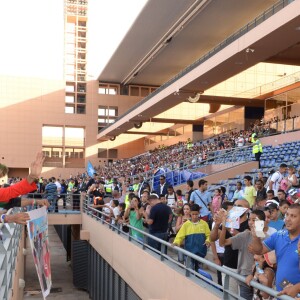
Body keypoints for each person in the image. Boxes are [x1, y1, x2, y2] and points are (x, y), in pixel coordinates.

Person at [248, 203, 300, 293]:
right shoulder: (279, 235)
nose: (287, 219)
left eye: (293, 216)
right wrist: (256, 236)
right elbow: (259, 250)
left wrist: (296, 288)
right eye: (287, 214)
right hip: (281, 291)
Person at [218, 209, 267, 300]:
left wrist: (253, 275)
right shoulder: (245, 235)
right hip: (243, 276)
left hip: (260, 279)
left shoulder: (268, 239)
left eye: (254, 220)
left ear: (262, 223)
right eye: (249, 219)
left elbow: (262, 260)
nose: (251, 222)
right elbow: (223, 243)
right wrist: (224, 228)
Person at [210, 199, 250, 296]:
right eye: (235, 205)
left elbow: (244, 239)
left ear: (247, 210)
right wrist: (217, 224)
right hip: (229, 266)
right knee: (229, 297)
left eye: (240, 206)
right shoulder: (229, 221)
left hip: (245, 270)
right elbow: (212, 238)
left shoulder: (251, 223)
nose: (236, 208)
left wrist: (226, 225)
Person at [173, 204, 210, 271]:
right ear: (190, 213)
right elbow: (180, 236)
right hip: (189, 252)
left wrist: (208, 241)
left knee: (200, 271)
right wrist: (176, 242)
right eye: (193, 214)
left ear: (199, 213)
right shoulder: (186, 224)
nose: (195, 216)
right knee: (190, 271)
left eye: (196, 214)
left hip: (201, 252)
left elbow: (208, 235)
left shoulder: (204, 224)